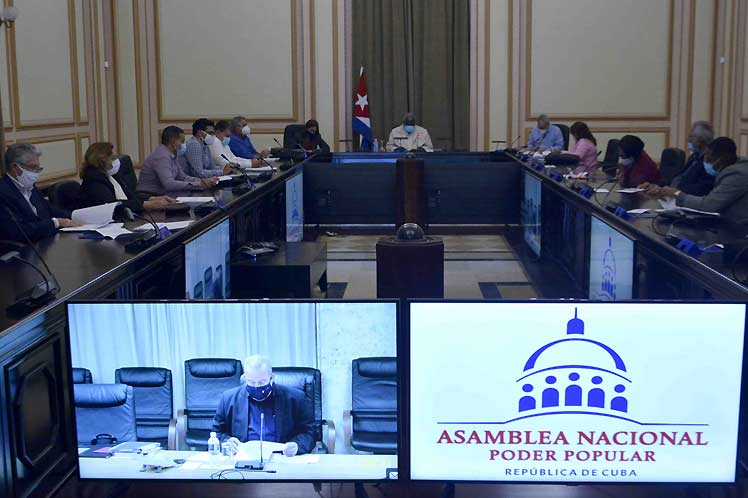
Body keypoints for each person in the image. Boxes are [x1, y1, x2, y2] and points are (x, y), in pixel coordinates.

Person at [212, 355, 315, 457]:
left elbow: (310, 433)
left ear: (272, 378)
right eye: (251, 382)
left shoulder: (295, 398)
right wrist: (227, 442)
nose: (256, 386)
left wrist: (297, 446)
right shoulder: (229, 398)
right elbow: (217, 433)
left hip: (282, 457)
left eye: (261, 382)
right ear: (245, 378)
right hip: (243, 458)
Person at [645, 137, 748, 225]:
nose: (705, 161)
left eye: (708, 158)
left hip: (738, 228)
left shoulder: (736, 174)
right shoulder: (731, 168)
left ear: (721, 159)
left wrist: (676, 193)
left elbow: (708, 205)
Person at [0, 143, 79, 241]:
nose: (36, 173)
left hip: (46, 242)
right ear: (15, 167)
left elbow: (50, 210)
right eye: (33, 168)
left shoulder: (32, 188)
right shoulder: (3, 193)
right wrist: (56, 222)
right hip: (22, 250)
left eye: (38, 168)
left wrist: (77, 216)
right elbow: (18, 232)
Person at [78, 142, 176, 213]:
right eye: (113, 158)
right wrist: (146, 205)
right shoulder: (94, 181)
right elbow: (113, 206)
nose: (117, 162)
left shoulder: (112, 176)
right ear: (102, 160)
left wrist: (152, 198)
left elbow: (131, 196)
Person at [137, 126, 219, 195]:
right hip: (149, 197)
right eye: (182, 141)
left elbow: (182, 177)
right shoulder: (162, 157)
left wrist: (203, 181)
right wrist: (198, 184)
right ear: (173, 142)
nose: (184, 144)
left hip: (162, 195)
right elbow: (169, 184)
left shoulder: (172, 155)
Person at [671, 121, 716, 196]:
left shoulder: (710, 161)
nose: (688, 140)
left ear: (701, 140)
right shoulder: (694, 157)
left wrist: (676, 190)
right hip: (675, 195)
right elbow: (681, 176)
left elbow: (701, 189)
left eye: (691, 137)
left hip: (690, 200)